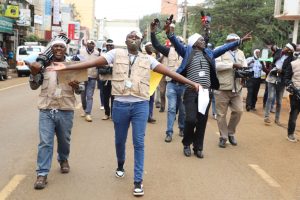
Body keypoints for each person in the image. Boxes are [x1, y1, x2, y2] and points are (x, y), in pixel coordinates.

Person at [50, 30, 200, 196]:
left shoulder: (148, 59)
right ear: (126, 40)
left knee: (139, 142)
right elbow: (91, 64)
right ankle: (121, 164)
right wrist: (66, 66)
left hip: (140, 105)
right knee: (119, 141)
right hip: (120, 105)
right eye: (130, 36)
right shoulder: (115, 53)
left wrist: (191, 83)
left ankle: (138, 181)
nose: (134, 38)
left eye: (136, 37)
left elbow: (170, 72)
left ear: (141, 40)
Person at [164, 21, 251, 156]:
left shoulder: (209, 53)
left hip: (205, 93)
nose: (203, 41)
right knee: (190, 119)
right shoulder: (187, 51)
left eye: (203, 40)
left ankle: (198, 148)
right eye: (200, 40)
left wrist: (239, 41)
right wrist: (170, 33)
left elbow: (223, 48)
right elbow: (175, 42)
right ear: (194, 42)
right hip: (190, 91)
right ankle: (186, 143)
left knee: (202, 120)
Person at [28, 38, 82, 190]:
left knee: (64, 140)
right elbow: (33, 86)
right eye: (55, 46)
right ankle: (42, 174)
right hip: (46, 109)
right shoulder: (43, 65)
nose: (58, 49)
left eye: (61, 46)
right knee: (45, 142)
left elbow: (81, 89)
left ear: (65, 49)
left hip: (66, 109)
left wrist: (77, 86)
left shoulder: (73, 65)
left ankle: (63, 159)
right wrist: (33, 74)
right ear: (51, 49)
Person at [150, 24, 185, 142]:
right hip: (172, 84)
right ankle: (169, 132)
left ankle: (182, 128)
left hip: (184, 86)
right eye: (176, 42)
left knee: (182, 109)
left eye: (180, 42)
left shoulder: (188, 53)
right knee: (171, 108)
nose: (178, 44)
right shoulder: (169, 51)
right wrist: (153, 33)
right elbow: (157, 45)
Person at [215, 33, 248, 148]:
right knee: (221, 114)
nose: (236, 44)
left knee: (239, 111)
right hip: (222, 88)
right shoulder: (219, 50)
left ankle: (230, 132)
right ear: (227, 41)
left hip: (237, 88)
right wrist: (232, 65)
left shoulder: (241, 53)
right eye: (234, 41)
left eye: (237, 41)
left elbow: (244, 65)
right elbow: (216, 65)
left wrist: (245, 72)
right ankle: (223, 137)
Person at [264, 43, 296, 125]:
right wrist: (273, 67)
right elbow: (272, 58)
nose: (284, 48)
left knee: (279, 101)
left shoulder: (292, 59)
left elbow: (290, 72)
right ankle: (266, 117)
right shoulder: (278, 52)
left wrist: (282, 71)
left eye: (286, 47)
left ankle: (277, 119)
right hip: (272, 77)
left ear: (290, 50)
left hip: (281, 80)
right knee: (270, 97)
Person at [76, 40, 99, 122]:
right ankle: (85, 109)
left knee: (90, 96)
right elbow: (75, 61)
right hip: (82, 76)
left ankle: (88, 113)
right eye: (90, 43)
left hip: (92, 76)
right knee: (83, 95)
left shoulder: (97, 53)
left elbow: (99, 65)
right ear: (86, 44)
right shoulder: (80, 51)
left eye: (93, 43)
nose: (91, 45)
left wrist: (98, 75)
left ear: (94, 45)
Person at [284, 54, 300, 142]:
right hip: (296, 94)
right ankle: (290, 134)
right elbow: (286, 78)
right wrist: (292, 87)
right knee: (294, 114)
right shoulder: (293, 64)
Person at [99, 39, 115, 120]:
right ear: (106, 46)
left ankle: (113, 114)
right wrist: (109, 68)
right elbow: (100, 68)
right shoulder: (103, 55)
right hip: (105, 80)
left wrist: (110, 67)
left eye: (111, 45)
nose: (109, 47)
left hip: (114, 80)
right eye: (108, 45)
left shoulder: (117, 56)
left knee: (113, 98)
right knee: (105, 98)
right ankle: (106, 113)